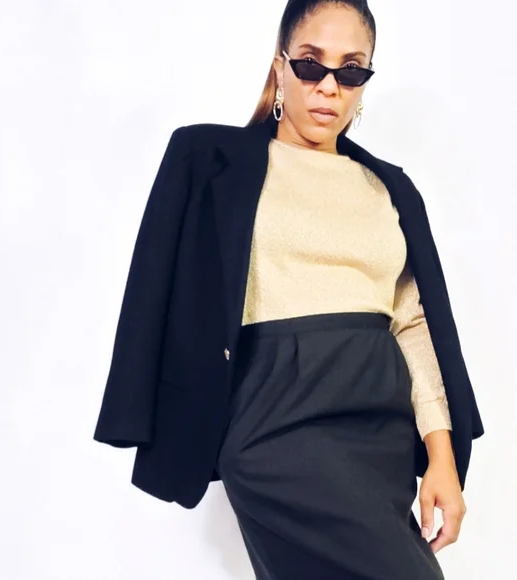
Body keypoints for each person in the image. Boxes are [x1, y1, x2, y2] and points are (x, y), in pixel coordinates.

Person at [93, 0, 484, 578]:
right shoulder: (211, 160)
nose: (328, 86)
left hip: (380, 430)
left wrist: (441, 459)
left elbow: (412, 322)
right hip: (273, 422)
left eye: (350, 70)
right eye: (309, 64)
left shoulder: (389, 188)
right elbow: (154, 296)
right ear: (280, 67)